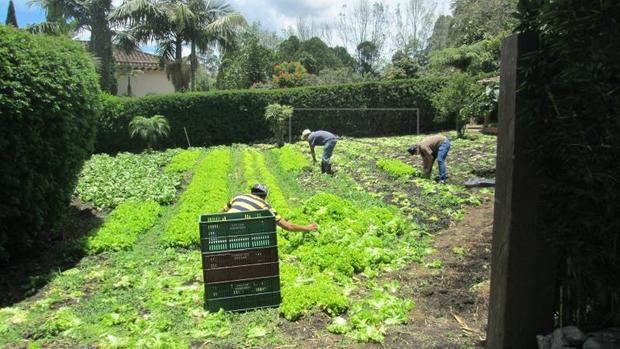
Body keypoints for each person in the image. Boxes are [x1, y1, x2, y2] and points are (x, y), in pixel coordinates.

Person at [223, 184, 318, 232]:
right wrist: (307, 227)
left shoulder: (238, 197)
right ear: (265, 196)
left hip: (225, 231)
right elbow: (288, 227)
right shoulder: (265, 206)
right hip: (243, 234)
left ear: (252, 192)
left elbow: (221, 213)